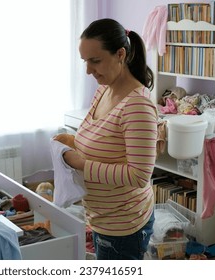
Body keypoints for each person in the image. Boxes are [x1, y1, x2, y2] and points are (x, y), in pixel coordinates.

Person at [58, 18, 158, 260]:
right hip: (102, 220)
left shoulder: (137, 106)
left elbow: (138, 175)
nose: (88, 70)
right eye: (85, 61)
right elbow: (103, 139)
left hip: (123, 227)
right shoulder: (104, 89)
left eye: (95, 61)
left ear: (120, 54)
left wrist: (79, 164)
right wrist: (70, 143)